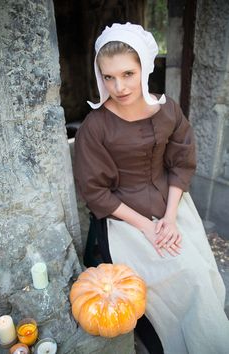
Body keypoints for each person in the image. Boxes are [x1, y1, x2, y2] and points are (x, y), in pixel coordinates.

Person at [74, 22, 229, 354]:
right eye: (109, 76)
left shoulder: (167, 109)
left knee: (200, 272)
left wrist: (170, 219)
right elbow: (96, 192)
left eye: (128, 74)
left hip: (172, 205)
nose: (119, 86)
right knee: (182, 276)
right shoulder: (95, 127)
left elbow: (182, 161)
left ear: (145, 66)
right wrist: (149, 227)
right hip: (124, 217)